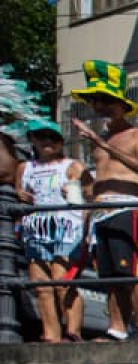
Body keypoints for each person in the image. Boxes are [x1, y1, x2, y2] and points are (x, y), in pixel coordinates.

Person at [71, 60, 138, 339]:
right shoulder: (102, 138)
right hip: (101, 212)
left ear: (122, 105)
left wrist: (101, 144)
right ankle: (117, 328)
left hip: (128, 207)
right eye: (97, 101)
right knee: (111, 278)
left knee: (134, 271)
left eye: (106, 101)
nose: (100, 107)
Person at [14, 121, 87, 342]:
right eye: (41, 137)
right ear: (33, 139)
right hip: (36, 229)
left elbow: (90, 194)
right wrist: (19, 193)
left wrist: (85, 230)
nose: (47, 142)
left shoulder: (72, 165)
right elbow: (20, 191)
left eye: (52, 138)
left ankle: (73, 331)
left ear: (61, 142)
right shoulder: (24, 168)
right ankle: (51, 334)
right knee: (41, 285)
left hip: (67, 228)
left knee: (62, 280)